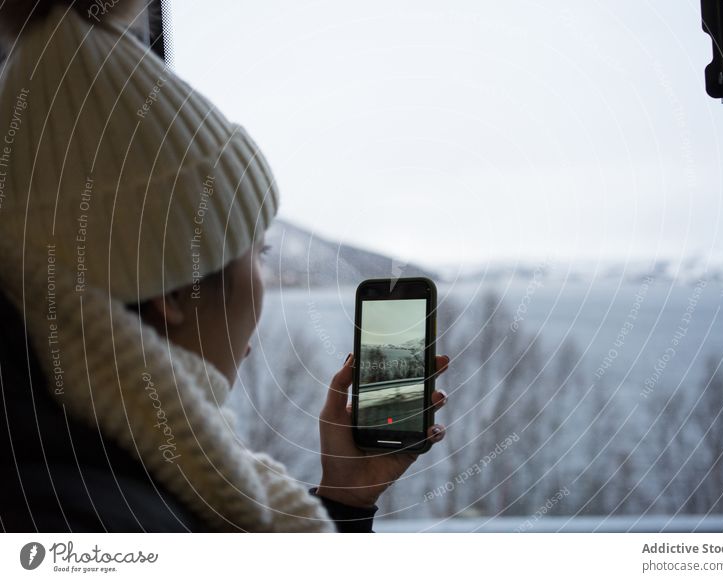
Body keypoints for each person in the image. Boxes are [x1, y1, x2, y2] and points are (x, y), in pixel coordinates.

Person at [0, 0, 449, 533]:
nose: (262, 288)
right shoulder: (103, 510)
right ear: (176, 292)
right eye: (257, 255)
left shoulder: (95, 459)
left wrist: (347, 497)